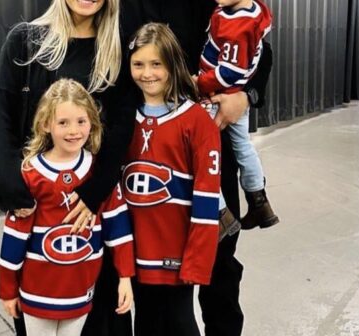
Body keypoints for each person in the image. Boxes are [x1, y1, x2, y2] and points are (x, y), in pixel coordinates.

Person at [118, 1, 274, 335]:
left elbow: (259, 49)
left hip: (210, 140)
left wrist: (247, 95)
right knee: (152, 274)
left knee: (219, 260)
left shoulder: (216, 2)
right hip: (153, 146)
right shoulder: (130, 5)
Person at [0, 0, 138, 335]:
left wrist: (93, 194)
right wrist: (15, 192)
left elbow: (120, 130)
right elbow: (5, 120)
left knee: (104, 322)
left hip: (95, 214)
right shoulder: (25, 42)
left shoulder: (118, 47)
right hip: (41, 220)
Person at [124, 23, 221, 336]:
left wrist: (196, 260)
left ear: (172, 65)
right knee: (146, 324)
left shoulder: (196, 121)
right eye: (138, 64)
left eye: (157, 64)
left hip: (176, 254)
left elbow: (207, 200)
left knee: (180, 323)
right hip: (135, 252)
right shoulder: (123, 117)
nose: (147, 73)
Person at [196, 0, 278, 231]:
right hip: (223, 91)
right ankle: (259, 204)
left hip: (216, 94)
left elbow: (236, 68)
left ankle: (221, 214)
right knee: (240, 147)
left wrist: (245, 96)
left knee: (203, 154)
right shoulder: (248, 10)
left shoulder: (239, 22)